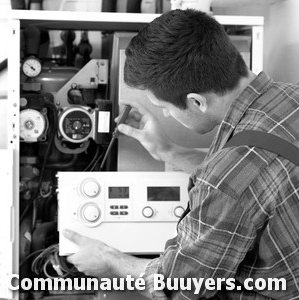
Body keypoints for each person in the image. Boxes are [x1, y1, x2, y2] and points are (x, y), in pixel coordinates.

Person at [64, 9, 299, 299]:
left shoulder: (226, 180)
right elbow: (256, 180)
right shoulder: (291, 97)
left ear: (196, 102)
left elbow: (179, 286)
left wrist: (109, 259)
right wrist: (167, 151)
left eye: (164, 107)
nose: (164, 114)